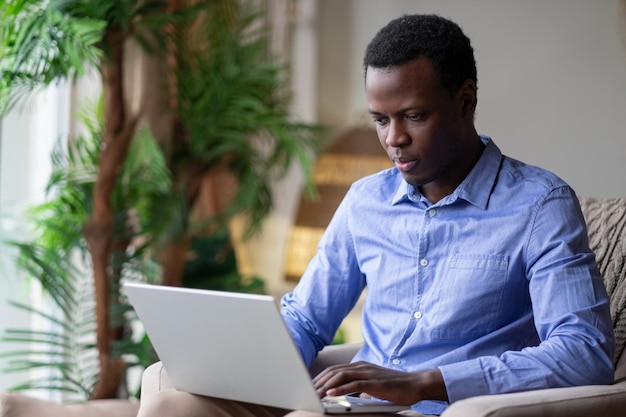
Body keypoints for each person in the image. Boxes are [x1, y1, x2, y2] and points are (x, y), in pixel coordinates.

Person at [137, 13, 615, 417]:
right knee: (169, 402)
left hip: (446, 409)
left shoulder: (539, 205)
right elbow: (306, 319)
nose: (393, 140)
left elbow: (584, 353)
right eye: (380, 120)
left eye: (413, 116)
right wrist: (238, 365)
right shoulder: (366, 200)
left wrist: (423, 383)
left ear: (465, 102)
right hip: (356, 408)